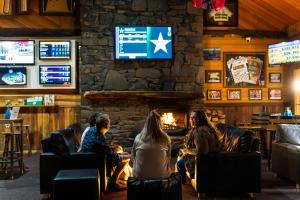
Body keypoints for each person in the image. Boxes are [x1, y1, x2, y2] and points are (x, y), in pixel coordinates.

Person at [80, 113, 131, 189]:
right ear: (107, 126)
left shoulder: (91, 129)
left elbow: (104, 149)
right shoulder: (100, 139)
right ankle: (113, 182)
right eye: (109, 123)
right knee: (128, 157)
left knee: (123, 152)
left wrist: (116, 150)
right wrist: (118, 153)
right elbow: (110, 155)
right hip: (96, 161)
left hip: (88, 158)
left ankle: (118, 178)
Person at [176, 110, 220, 183]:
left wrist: (187, 151)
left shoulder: (200, 131)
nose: (191, 120)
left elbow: (201, 151)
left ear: (201, 119)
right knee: (180, 153)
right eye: (191, 118)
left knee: (179, 163)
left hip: (203, 160)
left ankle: (182, 184)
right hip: (210, 157)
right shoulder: (205, 128)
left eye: (194, 118)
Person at [132, 109, 171, 179]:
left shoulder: (138, 137)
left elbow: (133, 157)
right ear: (160, 124)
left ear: (146, 123)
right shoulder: (166, 139)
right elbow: (168, 158)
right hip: (162, 176)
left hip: (140, 176)